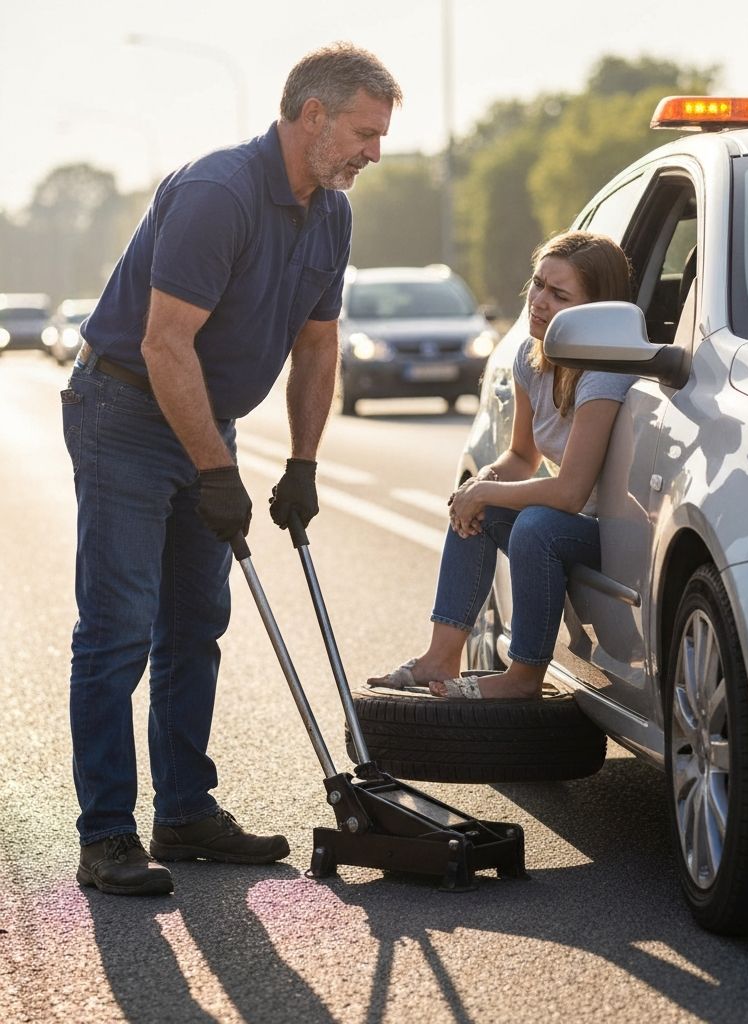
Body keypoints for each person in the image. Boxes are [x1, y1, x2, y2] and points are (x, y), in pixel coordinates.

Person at [62, 42, 401, 896]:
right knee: (119, 628)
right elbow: (163, 342)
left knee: (195, 623)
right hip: (128, 412)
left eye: (380, 137)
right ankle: (106, 835)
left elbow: (317, 342)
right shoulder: (220, 193)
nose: (373, 152)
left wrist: (304, 463)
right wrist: (218, 472)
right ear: (312, 115)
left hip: (204, 417)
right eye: (363, 132)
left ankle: (183, 813)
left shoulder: (332, 211)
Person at [368, 231, 634, 701]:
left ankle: (524, 678)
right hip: (569, 521)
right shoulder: (533, 359)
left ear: (594, 312)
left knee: (534, 524)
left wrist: (486, 492)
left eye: (559, 295)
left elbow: (570, 492)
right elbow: (522, 457)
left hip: (615, 534)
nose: (538, 301)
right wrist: (480, 486)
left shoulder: (604, 372)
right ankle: (441, 655)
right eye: (537, 284)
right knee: (474, 502)